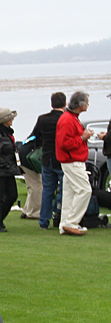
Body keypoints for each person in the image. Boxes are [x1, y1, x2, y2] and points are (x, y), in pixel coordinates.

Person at [55, 91, 93, 236]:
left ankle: (65, 224)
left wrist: (83, 137)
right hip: (72, 160)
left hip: (72, 160)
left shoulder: (72, 118)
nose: (88, 105)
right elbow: (64, 143)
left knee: (70, 193)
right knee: (85, 190)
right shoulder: (67, 120)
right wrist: (83, 138)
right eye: (87, 102)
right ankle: (72, 223)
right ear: (81, 104)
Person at [30, 92, 67, 230]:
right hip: (61, 158)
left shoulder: (42, 119)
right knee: (64, 190)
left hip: (46, 158)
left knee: (47, 191)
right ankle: (60, 215)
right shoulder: (65, 119)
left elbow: (35, 135)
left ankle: (44, 221)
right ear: (65, 103)